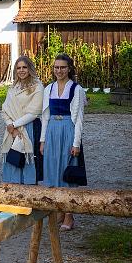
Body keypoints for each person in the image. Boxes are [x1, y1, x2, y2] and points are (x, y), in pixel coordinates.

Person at [40, 53, 86, 231]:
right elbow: (44, 116)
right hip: (52, 128)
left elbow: (79, 119)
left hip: (67, 129)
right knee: (52, 170)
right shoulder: (49, 88)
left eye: (63, 67)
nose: (59, 70)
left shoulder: (76, 89)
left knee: (67, 172)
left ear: (69, 69)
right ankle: (58, 209)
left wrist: (76, 143)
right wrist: (43, 140)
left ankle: (69, 215)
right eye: (56, 67)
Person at [0, 56, 44, 185]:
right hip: (12, 130)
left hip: (29, 128)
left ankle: (29, 197)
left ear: (30, 68)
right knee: (14, 160)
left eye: (24, 67)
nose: (21, 70)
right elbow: (5, 109)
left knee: (28, 162)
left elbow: (34, 112)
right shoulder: (13, 87)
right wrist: (10, 126)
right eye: (18, 68)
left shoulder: (37, 86)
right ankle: (13, 196)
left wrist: (14, 124)